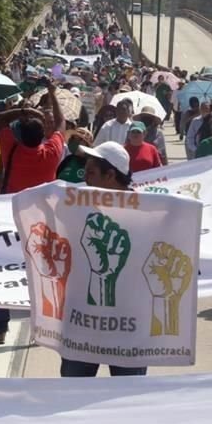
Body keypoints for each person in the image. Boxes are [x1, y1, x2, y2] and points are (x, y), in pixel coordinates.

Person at [60, 141, 147, 378]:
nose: (84, 178)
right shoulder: (74, 206)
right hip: (82, 326)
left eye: (90, 172)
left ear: (110, 175)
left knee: (127, 402)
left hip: (128, 330)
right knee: (73, 399)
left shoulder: (148, 213)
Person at [0, 84, 64, 344]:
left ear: (19, 135)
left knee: (5, 271)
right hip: (42, 224)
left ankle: (0, 327)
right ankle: (40, 328)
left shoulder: (12, 147)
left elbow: (0, 119)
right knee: (39, 275)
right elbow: (61, 123)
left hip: (10, 219)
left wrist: (24, 109)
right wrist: (53, 96)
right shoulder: (52, 153)